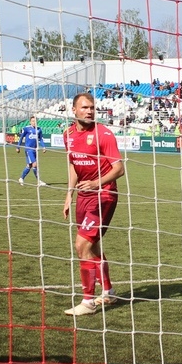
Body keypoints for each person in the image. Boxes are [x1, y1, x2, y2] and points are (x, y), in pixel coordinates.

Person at [61, 92, 124, 316]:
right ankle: (108, 292)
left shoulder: (103, 134)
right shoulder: (68, 134)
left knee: (82, 245)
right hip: (83, 196)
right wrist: (69, 194)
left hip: (104, 195)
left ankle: (88, 302)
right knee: (93, 246)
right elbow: (73, 165)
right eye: (85, 107)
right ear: (74, 110)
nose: (89, 111)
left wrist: (96, 183)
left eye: (92, 108)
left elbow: (119, 169)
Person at [17, 115, 45, 186]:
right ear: (30, 122)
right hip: (28, 149)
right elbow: (21, 138)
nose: (34, 122)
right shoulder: (26, 129)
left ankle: (21, 178)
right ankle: (38, 181)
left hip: (35, 150)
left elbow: (41, 139)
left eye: (35, 121)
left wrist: (43, 146)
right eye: (33, 121)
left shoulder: (39, 129)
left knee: (29, 166)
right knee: (34, 164)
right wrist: (18, 147)